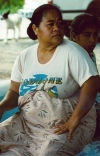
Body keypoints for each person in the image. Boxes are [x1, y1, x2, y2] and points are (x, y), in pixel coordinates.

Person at [0, 4, 99, 156]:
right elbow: (14, 91)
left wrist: (74, 119)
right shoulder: (24, 56)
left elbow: (91, 84)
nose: (57, 28)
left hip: (64, 125)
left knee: (50, 152)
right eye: (50, 24)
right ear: (35, 28)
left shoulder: (74, 52)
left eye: (59, 23)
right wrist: (2, 106)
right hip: (28, 124)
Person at [70, 13, 100, 138]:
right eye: (87, 35)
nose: (92, 40)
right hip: (76, 110)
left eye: (95, 35)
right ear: (74, 36)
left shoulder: (89, 54)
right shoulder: (71, 56)